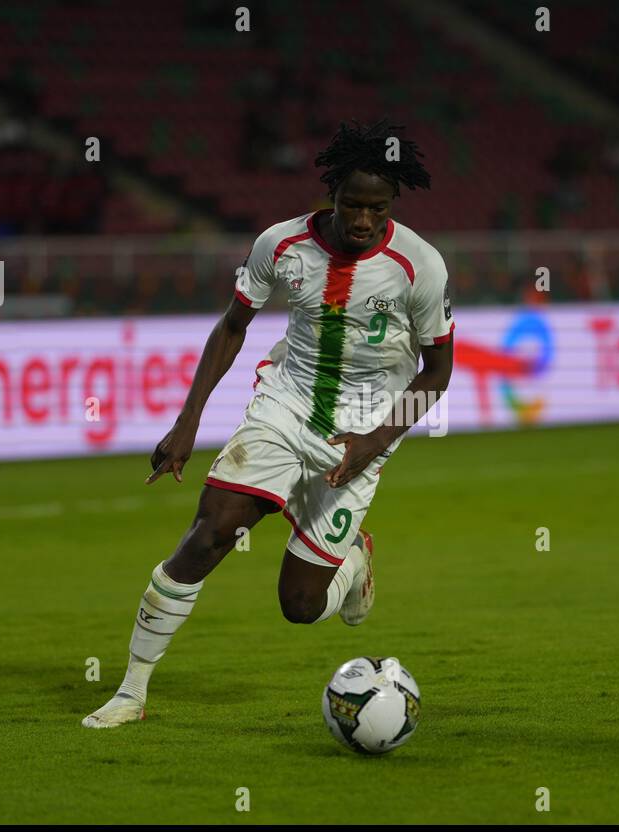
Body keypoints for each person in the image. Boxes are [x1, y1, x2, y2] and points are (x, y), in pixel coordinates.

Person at [83, 119, 455, 728]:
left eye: (378, 209)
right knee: (209, 532)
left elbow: (436, 374)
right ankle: (130, 692)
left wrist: (374, 441)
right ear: (331, 197)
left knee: (300, 606)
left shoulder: (420, 266)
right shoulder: (281, 245)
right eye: (353, 205)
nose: (364, 221)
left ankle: (353, 562)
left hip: (364, 428)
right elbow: (234, 326)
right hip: (285, 406)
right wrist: (186, 424)